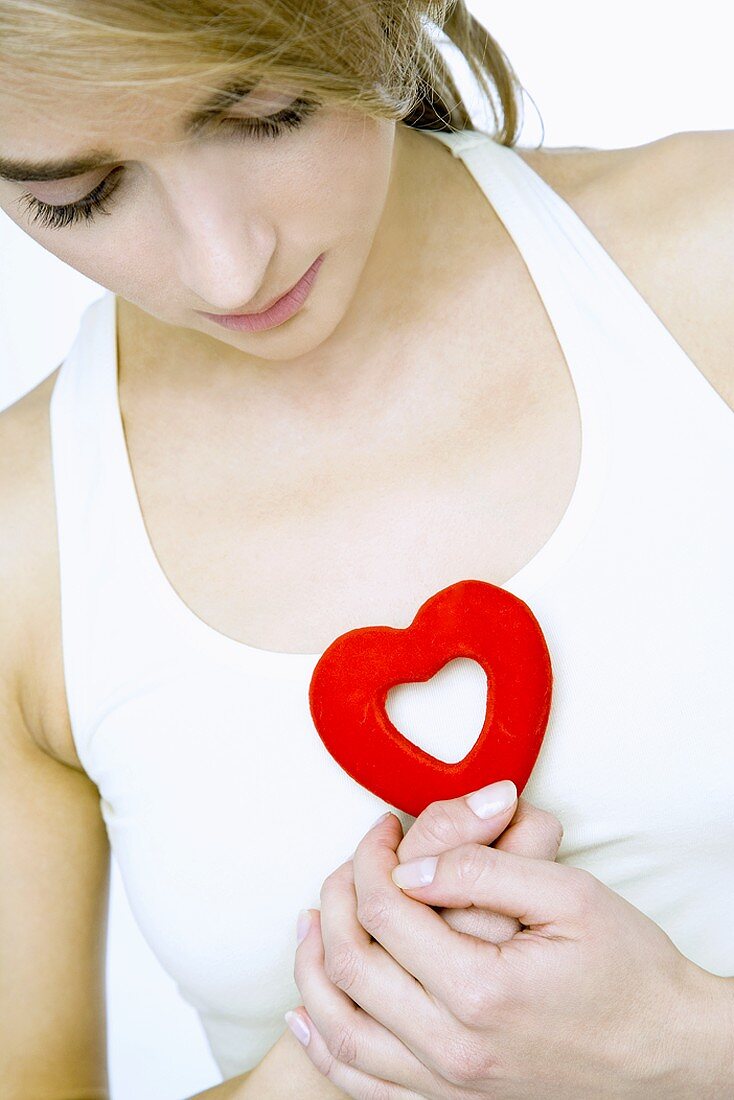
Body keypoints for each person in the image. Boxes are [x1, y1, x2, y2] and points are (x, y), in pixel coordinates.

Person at [0, 1, 731, 1097]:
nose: (228, 267)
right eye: (77, 194)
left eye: (265, 113)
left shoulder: (706, 259)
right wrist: (338, 1052)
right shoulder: (27, 537)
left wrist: (687, 1039)